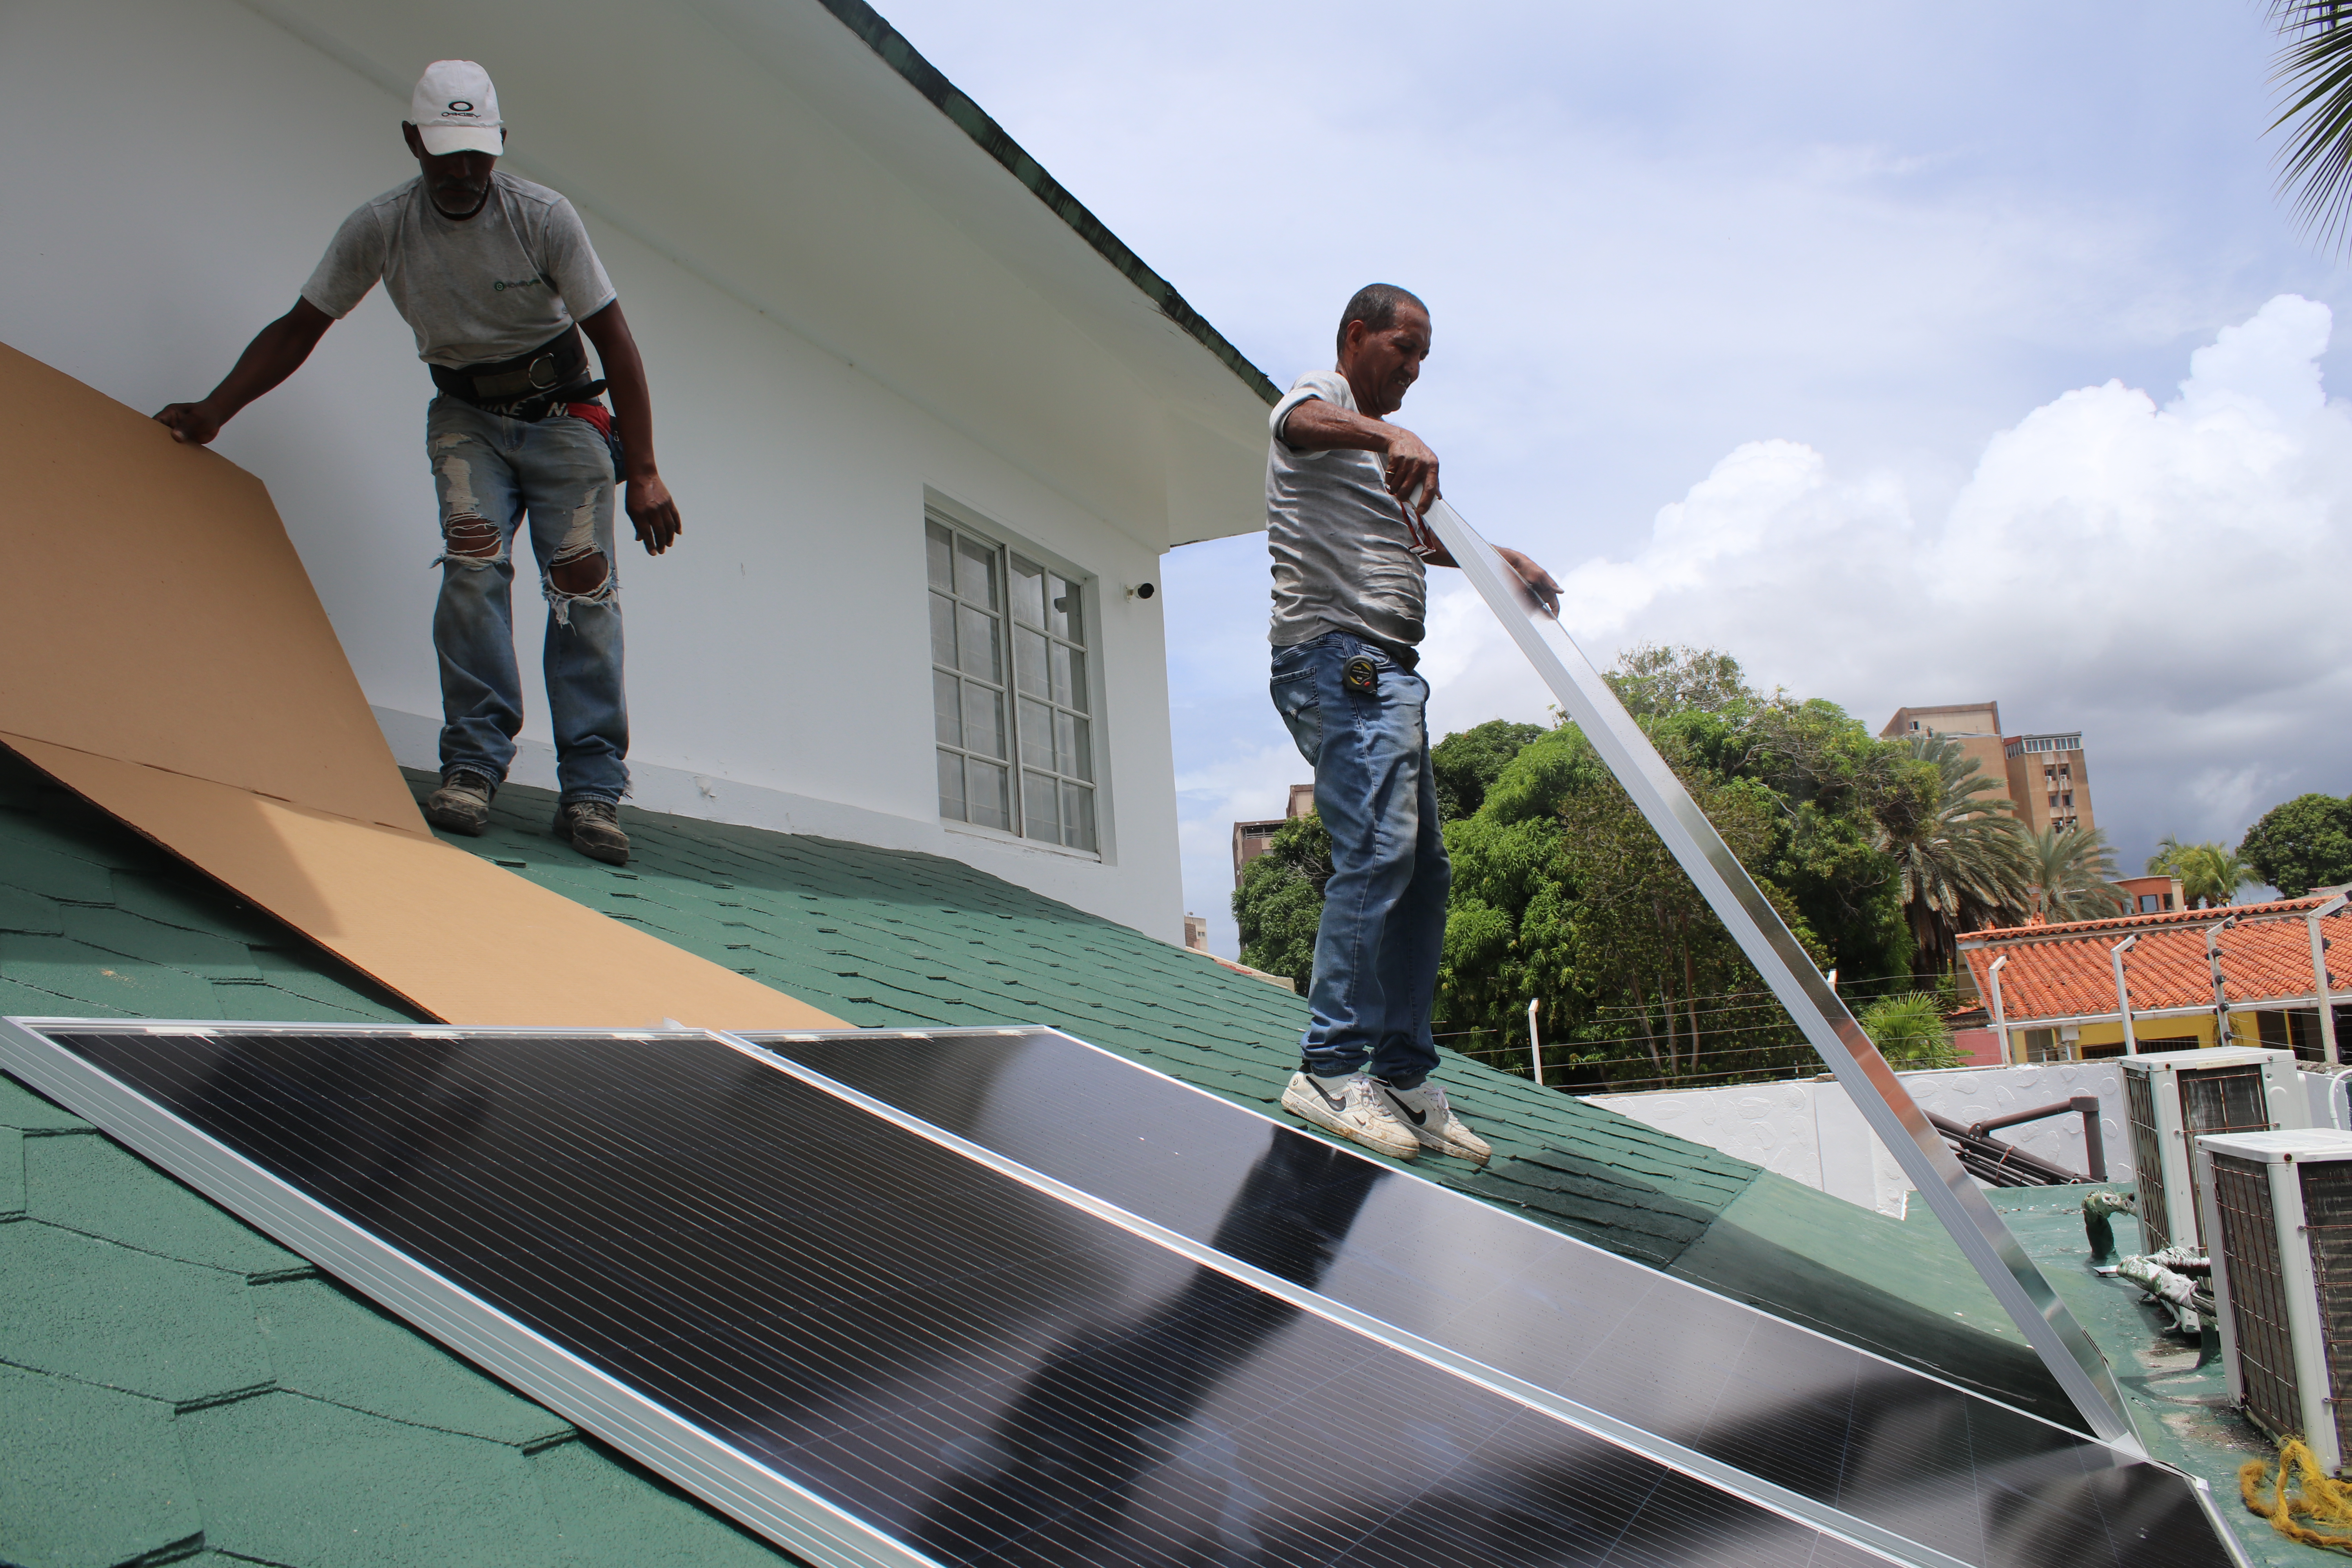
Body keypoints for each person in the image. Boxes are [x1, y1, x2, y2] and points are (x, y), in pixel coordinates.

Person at [154, 60, 679, 867]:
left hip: (563, 417)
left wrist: (642, 469)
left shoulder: (544, 217)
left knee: (582, 587)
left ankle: (593, 790)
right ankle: (473, 762)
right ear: (412, 142)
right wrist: (215, 411)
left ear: (499, 143)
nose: (463, 172)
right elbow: (301, 326)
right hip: (466, 417)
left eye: (478, 152)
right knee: (472, 562)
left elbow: (616, 340)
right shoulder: (381, 227)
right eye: (444, 152)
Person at [1268, 283, 1560, 1163]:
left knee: (1425, 872)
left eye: (1425, 358)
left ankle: (1399, 1075)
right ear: (1359, 337)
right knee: (1378, 855)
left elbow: (1407, 537)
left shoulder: (1372, 462)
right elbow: (1295, 422)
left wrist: (1493, 557)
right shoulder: (1323, 401)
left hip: (1389, 675)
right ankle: (1327, 1070)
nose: (1415, 372)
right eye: (1405, 349)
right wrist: (1386, 430)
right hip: (1338, 661)